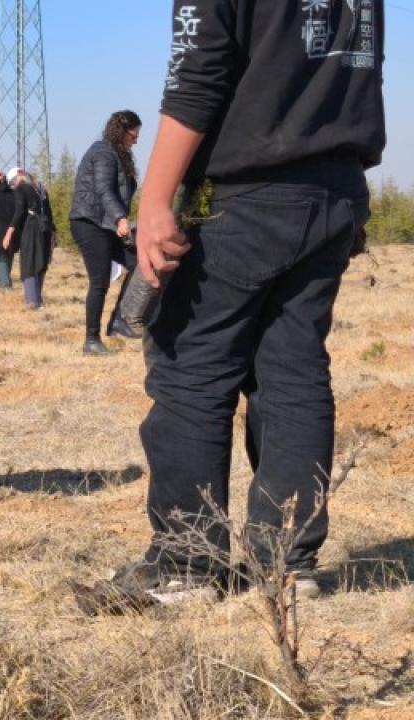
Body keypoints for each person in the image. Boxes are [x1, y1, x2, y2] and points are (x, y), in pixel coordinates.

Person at [119, 0, 385, 602]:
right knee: (293, 372)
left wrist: (154, 200)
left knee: (190, 367)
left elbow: (197, 73)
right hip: (335, 189)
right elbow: (360, 67)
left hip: (244, 190)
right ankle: (287, 564)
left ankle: (187, 563)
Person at [70, 110, 143, 355]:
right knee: (100, 281)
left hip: (107, 223)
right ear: (122, 132)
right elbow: (104, 190)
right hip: (90, 222)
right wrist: (120, 218)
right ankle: (91, 340)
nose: (136, 141)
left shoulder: (118, 156)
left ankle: (119, 319)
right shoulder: (102, 153)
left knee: (139, 264)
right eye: (134, 135)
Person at [1, 168, 51, 309]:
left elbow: (20, 210)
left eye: (12, 184)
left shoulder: (21, 189)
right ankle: (38, 299)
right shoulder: (39, 189)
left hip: (31, 228)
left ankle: (32, 301)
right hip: (44, 228)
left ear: (15, 180)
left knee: (29, 263)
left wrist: (9, 231)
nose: (12, 187)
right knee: (40, 262)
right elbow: (48, 211)